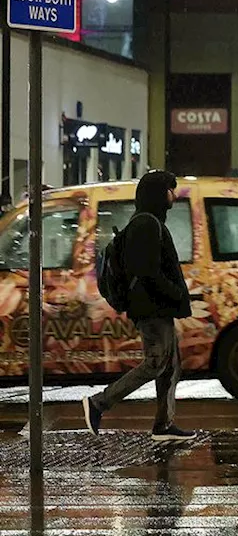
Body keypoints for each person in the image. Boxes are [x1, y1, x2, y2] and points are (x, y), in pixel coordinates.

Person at [83, 170, 196, 442]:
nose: (173, 195)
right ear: (158, 194)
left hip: (157, 307)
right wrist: (174, 293)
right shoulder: (145, 224)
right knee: (155, 363)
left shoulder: (150, 222)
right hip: (152, 309)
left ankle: (163, 425)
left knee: (170, 366)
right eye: (170, 190)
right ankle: (99, 402)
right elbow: (147, 271)